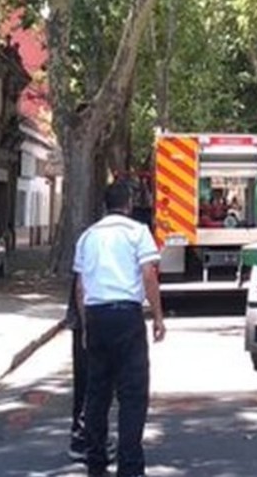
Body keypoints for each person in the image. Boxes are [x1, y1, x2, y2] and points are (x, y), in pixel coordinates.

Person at [75, 181, 165, 477]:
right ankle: (129, 466)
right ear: (128, 204)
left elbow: (80, 286)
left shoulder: (87, 237)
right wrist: (157, 316)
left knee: (97, 393)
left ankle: (95, 462)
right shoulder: (137, 232)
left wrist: (86, 326)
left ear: (105, 204)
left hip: (97, 315)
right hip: (126, 317)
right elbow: (149, 275)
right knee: (132, 394)